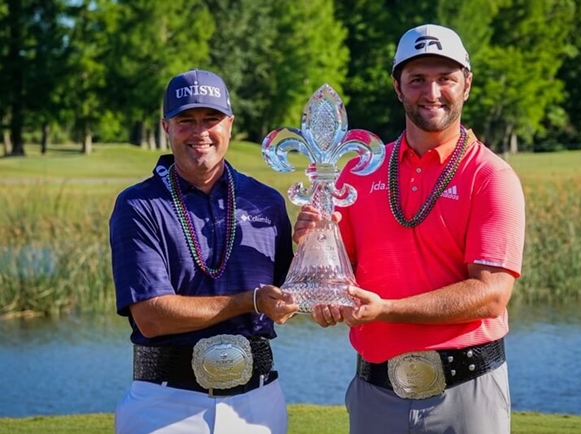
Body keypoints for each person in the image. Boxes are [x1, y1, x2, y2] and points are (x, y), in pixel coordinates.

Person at [293, 24, 526, 434]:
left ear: (467, 85)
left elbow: (491, 294)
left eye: (446, 79)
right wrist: (313, 250)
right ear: (398, 87)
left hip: (465, 391)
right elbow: (338, 277)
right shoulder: (361, 170)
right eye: (417, 79)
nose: (432, 92)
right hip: (375, 392)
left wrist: (387, 310)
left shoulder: (491, 176)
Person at [109, 68, 299, 434]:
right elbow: (152, 316)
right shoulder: (139, 205)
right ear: (166, 126)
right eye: (186, 121)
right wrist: (249, 301)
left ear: (230, 124)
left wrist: (316, 244)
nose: (200, 132)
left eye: (211, 119)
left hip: (258, 403)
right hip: (164, 404)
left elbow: (290, 298)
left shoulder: (266, 201)